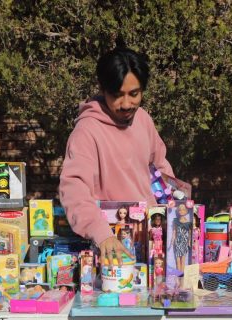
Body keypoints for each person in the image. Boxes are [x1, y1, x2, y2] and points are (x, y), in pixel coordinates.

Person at [59, 43, 175, 266]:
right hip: (111, 246)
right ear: (103, 90)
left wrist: (175, 212)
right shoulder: (87, 131)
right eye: (117, 95)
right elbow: (74, 188)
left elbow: (161, 170)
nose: (126, 104)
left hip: (154, 241)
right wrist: (101, 233)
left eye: (134, 94)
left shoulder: (143, 120)